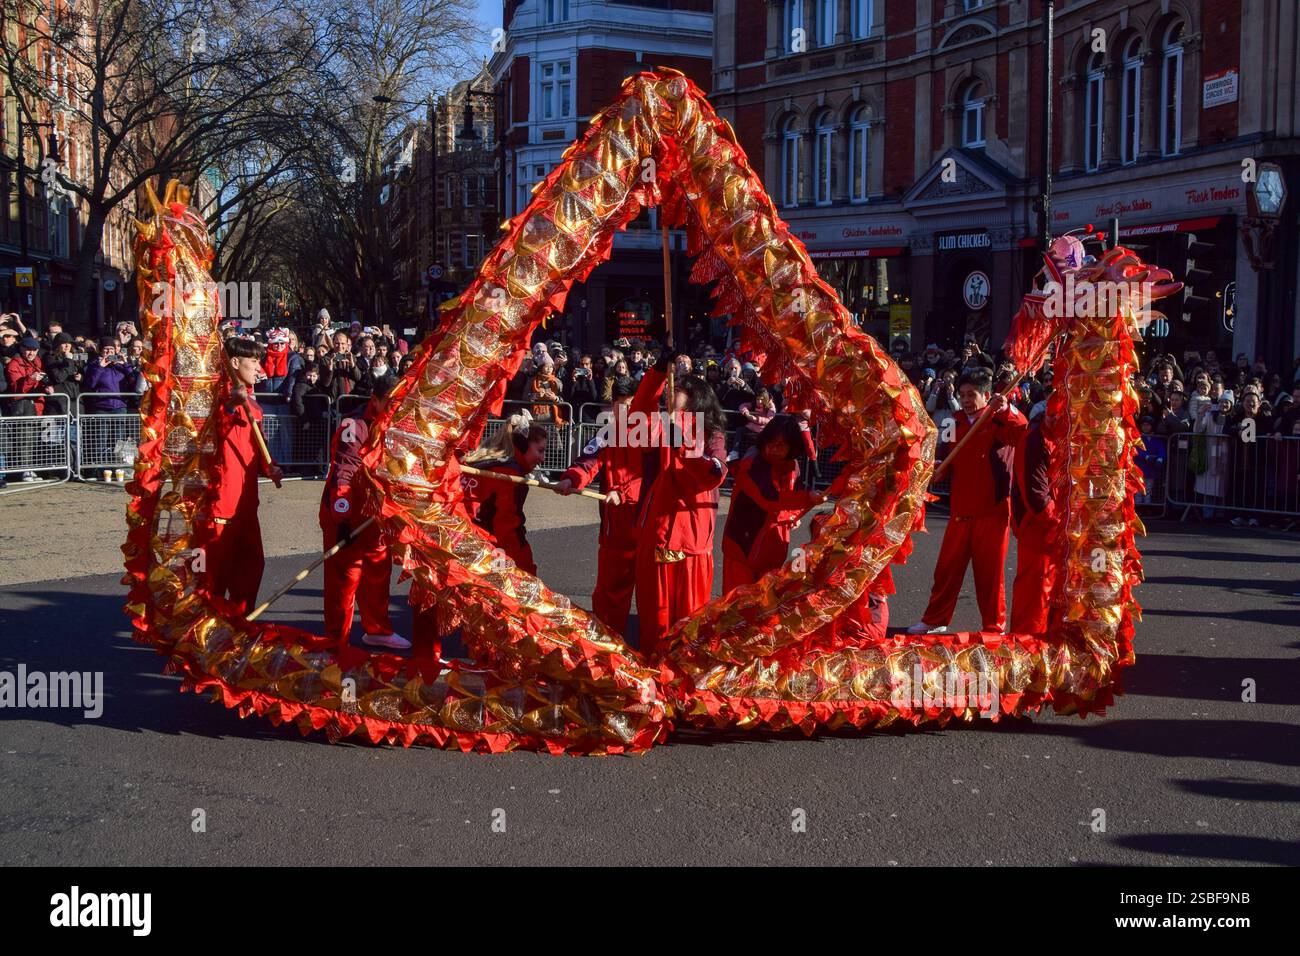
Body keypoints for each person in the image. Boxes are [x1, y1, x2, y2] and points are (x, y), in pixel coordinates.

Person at [908, 368, 1027, 635]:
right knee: (947, 569)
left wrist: (1006, 408)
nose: (965, 399)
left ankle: (994, 625)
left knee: (990, 573)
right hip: (961, 508)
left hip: (993, 511)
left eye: (971, 394)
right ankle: (935, 618)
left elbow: (1022, 430)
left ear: (987, 394)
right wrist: (937, 468)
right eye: (962, 394)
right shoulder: (953, 421)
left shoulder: (999, 419)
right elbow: (944, 456)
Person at [633, 352, 729, 656]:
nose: (669, 398)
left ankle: (682, 680)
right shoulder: (660, 425)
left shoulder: (712, 434)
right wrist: (658, 371)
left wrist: (684, 446)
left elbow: (715, 474)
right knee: (655, 621)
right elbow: (637, 414)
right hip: (659, 535)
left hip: (694, 542)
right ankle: (655, 678)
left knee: (691, 624)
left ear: (696, 399)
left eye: (677, 392)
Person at [554, 374, 656, 635]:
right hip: (616, 528)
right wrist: (570, 479)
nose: (626, 410)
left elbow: (657, 476)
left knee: (655, 597)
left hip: (651, 527)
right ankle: (608, 647)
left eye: (631, 403)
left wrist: (625, 492)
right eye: (620, 404)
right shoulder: (607, 433)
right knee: (610, 593)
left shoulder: (657, 436)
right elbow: (587, 462)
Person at [319, 378, 408, 649]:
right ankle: (337, 640)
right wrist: (342, 516)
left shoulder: (396, 425)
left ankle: (378, 629)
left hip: (375, 512)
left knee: (378, 570)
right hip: (346, 511)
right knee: (345, 578)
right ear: (376, 399)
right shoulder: (354, 425)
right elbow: (343, 472)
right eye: (391, 404)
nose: (395, 409)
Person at [202, 337, 283, 616]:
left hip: (247, 502)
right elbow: (216, 430)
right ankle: (209, 625)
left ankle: (239, 621)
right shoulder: (218, 398)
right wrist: (230, 406)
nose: (259, 367)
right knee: (217, 571)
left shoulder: (254, 405)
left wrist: (269, 466)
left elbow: (254, 446)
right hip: (222, 502)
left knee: (251, 565)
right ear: (234, 363)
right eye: (253, 361)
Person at [721, 415, 825, 594]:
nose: (773, 449)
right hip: (742, 549)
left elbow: (793, 500)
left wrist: (795, 513)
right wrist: (806, 498)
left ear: (792, 447)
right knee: (736, 609)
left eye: (781, 445)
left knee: (764, 608)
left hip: (773, 550)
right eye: (771, 442)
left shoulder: (792, 467)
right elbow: (768, 498)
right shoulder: (752, 461)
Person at [462, 413, 548, 574]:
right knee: (501, 594)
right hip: (486, 548)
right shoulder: (511, 477)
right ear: (523, 446)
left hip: (456, 542)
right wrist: (527, 575)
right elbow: (508, 529)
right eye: (540, 450)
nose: (542, 458)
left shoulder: (476, 462)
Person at [1008, 407, 1057, 635]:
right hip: (1038, 528)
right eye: (1053, 414)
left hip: (1053, 527)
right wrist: (1062, 518)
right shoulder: (1035, 441)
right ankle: (1027, 646)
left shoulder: (1059, 440)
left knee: (1049, 591)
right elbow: (1036, 497)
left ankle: (1045, 646)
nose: (1057, 419)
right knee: (1035, 591)